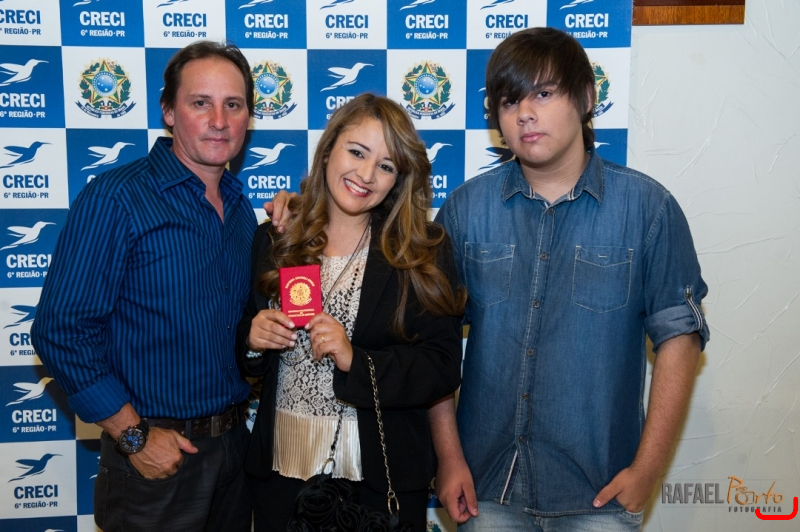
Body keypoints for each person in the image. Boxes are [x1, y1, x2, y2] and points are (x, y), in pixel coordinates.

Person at [426, 27, 710, 531]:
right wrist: (448, 457)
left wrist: (647, 471)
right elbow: (433, 343)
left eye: (543, 93)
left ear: (586, 98)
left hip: (600, 494)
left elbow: (680, 340)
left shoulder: (648, 209)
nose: (524, 113)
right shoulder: (466, 210)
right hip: (487, 488)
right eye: (509, 101)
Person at [31, 41, 257, 531]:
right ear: (169, 112)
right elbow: (60, 330)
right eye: (201, 103)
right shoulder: (118, 197)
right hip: (154, 458)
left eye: (233, 105)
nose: (219, 120)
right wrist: (133, 437)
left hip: (234, 452)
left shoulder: (242, 211)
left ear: (248, 118)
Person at [238, 93, 465, 531]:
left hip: (380, 483)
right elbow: (245, 358)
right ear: (328, 151)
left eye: (386, 165)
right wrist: (253, 341)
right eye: (357, 152)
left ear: (399, 179)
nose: (366, 175)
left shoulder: (422, 250)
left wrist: (355, 361)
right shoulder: (276, 239)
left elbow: (440, 368)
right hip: (280, 475)